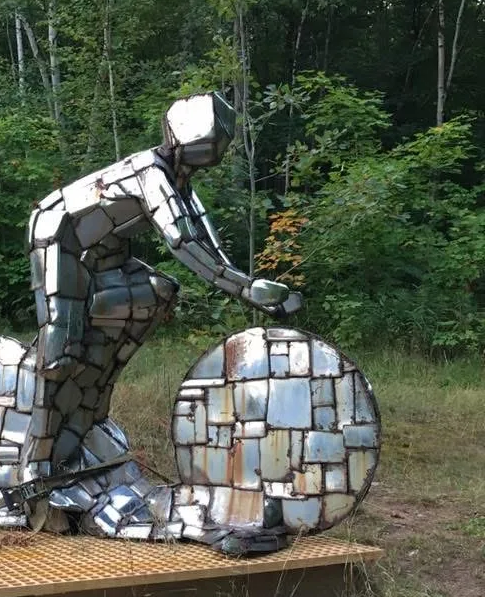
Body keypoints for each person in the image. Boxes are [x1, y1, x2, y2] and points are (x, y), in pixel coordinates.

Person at [22, 92, 301, 488]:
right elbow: (181, 241)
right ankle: (36, 462)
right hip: (59, 237)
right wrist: (245, 289)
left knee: (155, 293)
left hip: (106, 250)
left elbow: (205, 237)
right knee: (62, 349)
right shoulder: (149, 172)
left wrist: (247, 283)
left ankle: (87, 424)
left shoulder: (179, 181)